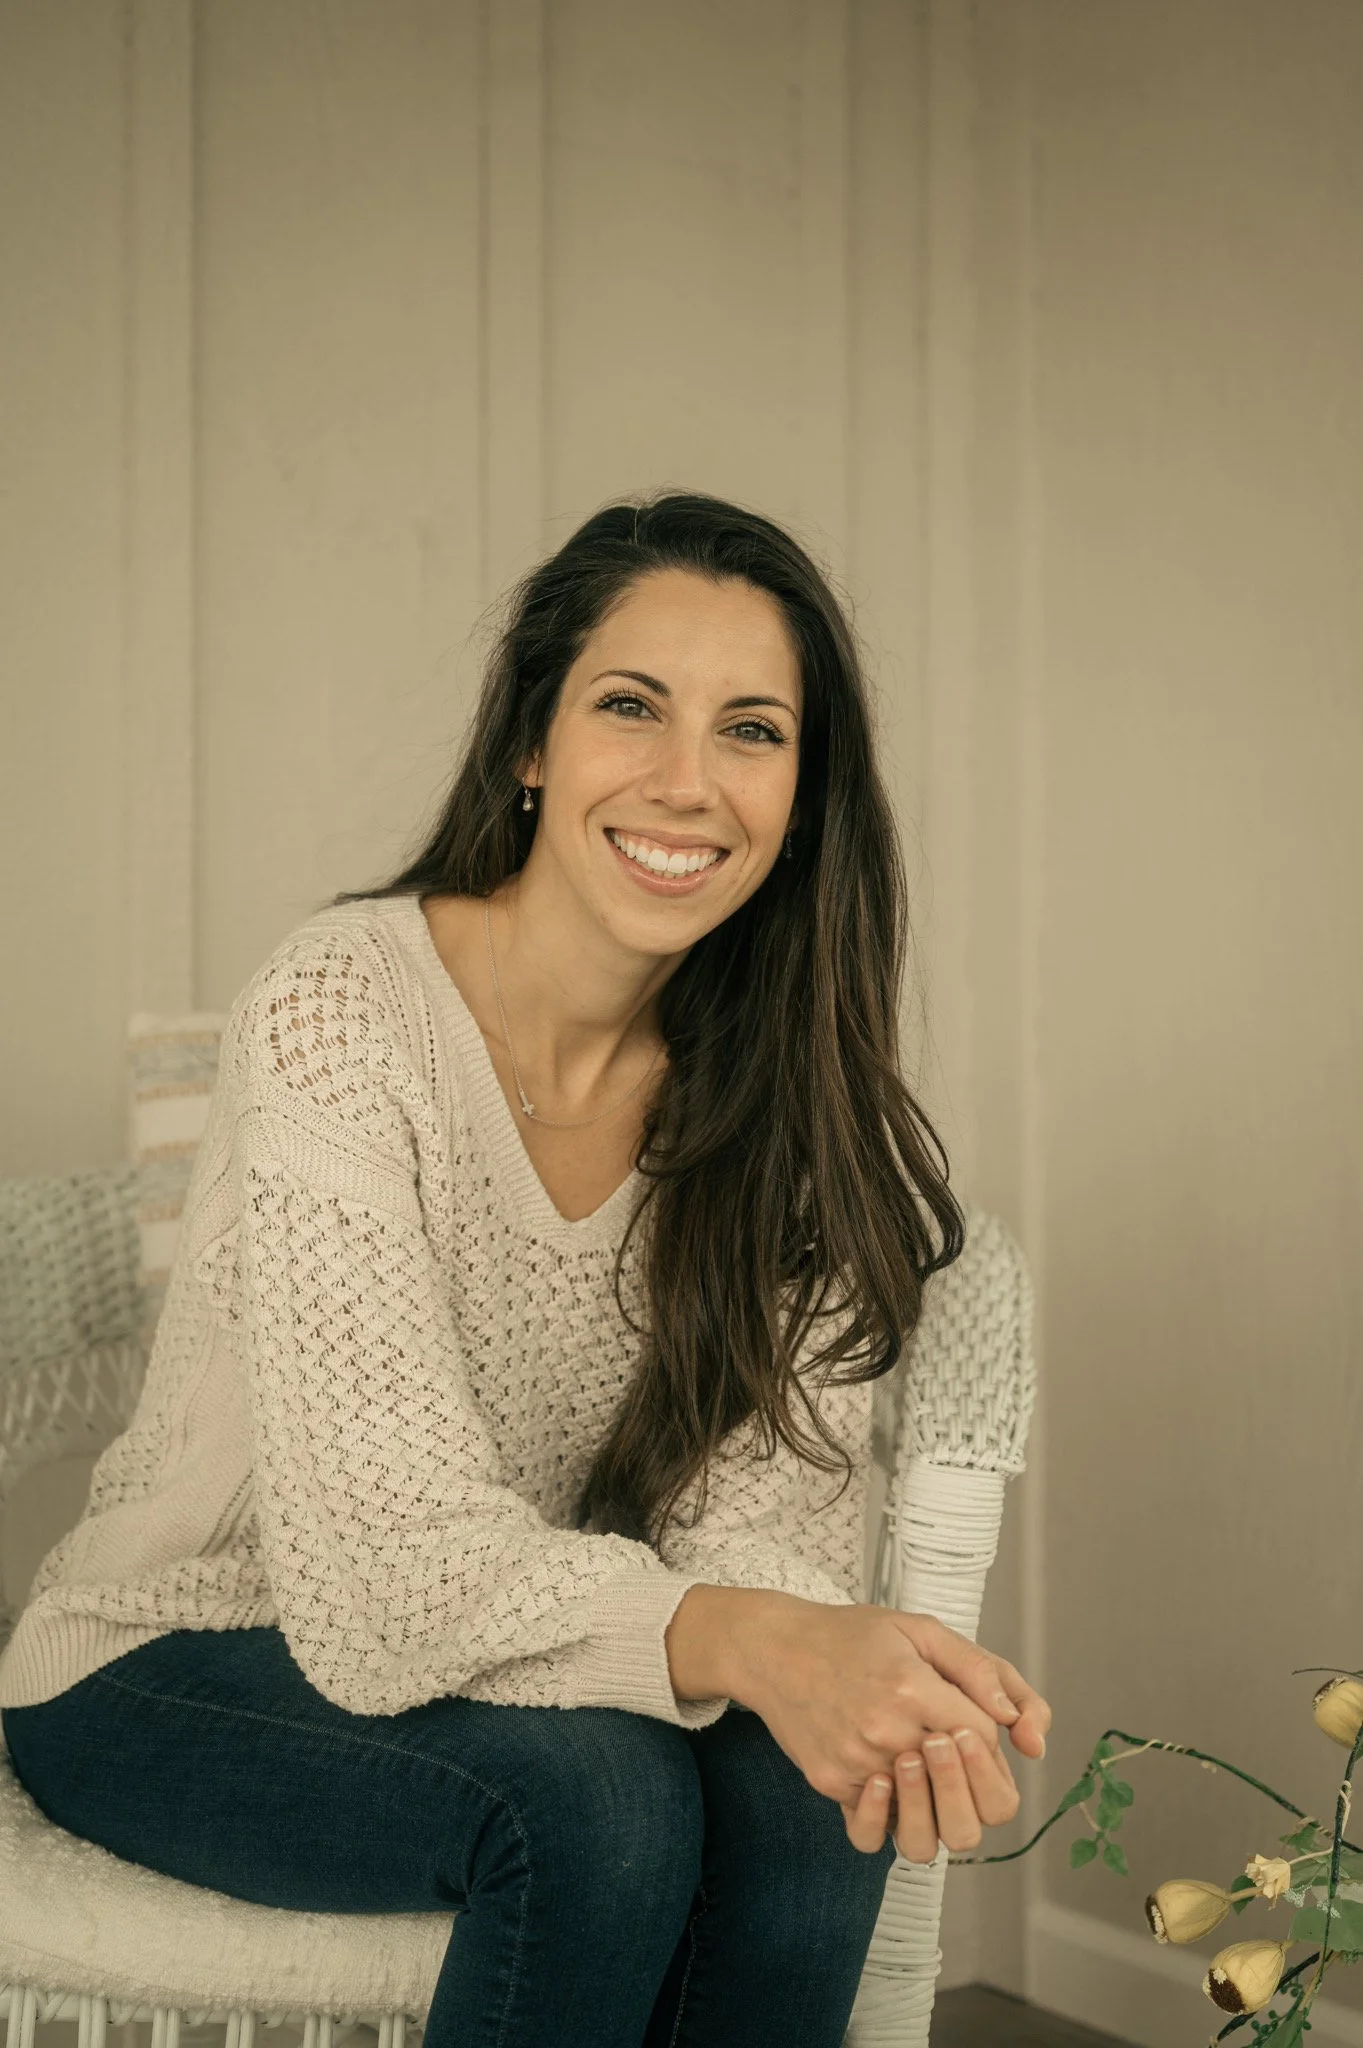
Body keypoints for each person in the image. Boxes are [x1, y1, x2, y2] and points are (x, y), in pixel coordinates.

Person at [1, 491, 1050, 2048]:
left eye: (752, 731)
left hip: (514, 1664)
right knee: (599, 1804)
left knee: (807, 1785)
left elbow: (762, 1544)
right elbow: (386, 1561)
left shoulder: (782, 1102)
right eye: (632, 706)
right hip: (169, 1659)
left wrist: (846, 1674)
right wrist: (757, 1639)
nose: (686, 783)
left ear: (802, 793)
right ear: (531, 743)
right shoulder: (341, 1012)